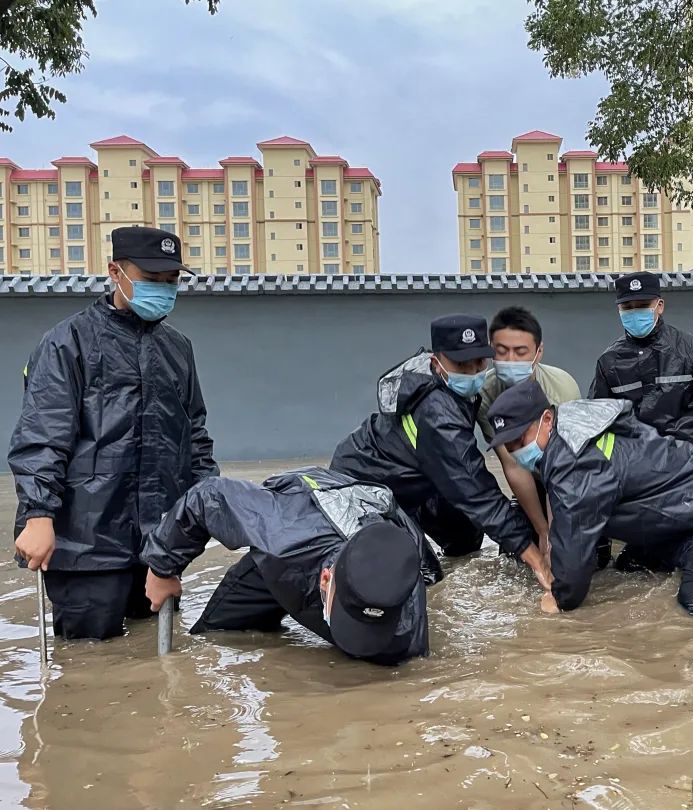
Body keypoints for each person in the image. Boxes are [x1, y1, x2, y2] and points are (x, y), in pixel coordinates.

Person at [8, 226, 217, 641]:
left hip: (159, 544)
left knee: (155, 654)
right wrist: (38, 514)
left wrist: (201, 511)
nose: (163, 289)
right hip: (86, 544)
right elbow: (43, 435)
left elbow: (194, 436)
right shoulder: (67, 342)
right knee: (88, 658)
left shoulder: (178, 348)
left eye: (171, 281)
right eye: (151, 279)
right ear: (115, 272)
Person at [486, 380, 693, 616]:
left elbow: (574, 544)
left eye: (520, 440)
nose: (516, 450)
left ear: (547, 419)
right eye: (509, 445)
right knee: (628, 569)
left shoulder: (574, 462)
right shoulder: (575, 422)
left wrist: (560, 597)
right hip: (676, 520)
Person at [331, 314, 550, 589]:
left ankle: (415, 529)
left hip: (416, 479)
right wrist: (537, 560)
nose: (472, 372)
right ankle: (400, 541)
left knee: (466, 537)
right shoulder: (438, 412)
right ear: (437, 362)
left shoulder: (450, 385)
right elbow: (477, 491)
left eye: (479, 362)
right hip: (367, 490)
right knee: (425, 578)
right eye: (461, 364)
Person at [142, 467, 433, 665]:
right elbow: (207, 496)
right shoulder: (281, 536)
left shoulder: (404, 607)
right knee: (217, 634)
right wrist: (162, 568)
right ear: (325, 580)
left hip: (369, 516)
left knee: (387, 663)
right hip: (292, 543)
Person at [588, 271, 693, 463]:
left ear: (659, 305)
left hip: (691, 463)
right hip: (636, 467)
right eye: (627, 307)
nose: (635, 313)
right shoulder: (609, 361)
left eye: (643, 305)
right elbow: (597, 417)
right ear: (619, 310)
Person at [477, 306, 581, 552]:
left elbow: (564, 468)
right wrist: (542, 530)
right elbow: (512, 464)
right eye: (502, 351)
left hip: (568, 477)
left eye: (521, 352)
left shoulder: (562, 389)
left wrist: (554, 534)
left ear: (538, 351)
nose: (511, 360)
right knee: (516, 549)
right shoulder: (486, 394)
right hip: (529, 477)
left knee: (574, 551)